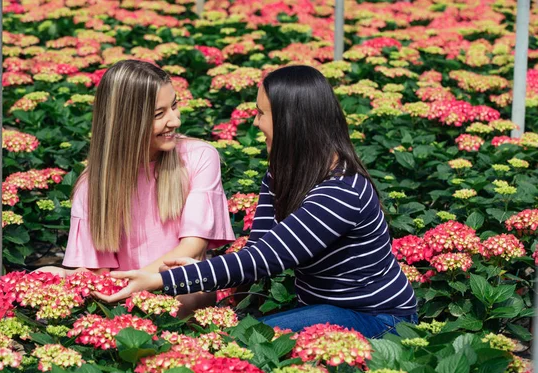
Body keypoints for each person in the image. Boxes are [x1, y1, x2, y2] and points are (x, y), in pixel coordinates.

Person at [94, 65, 418, 337]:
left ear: (292, 121)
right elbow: (256, 254)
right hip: (322, 308)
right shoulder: (284, 172)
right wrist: (197, 271)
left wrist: (161, 279)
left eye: (261, 113)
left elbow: (265, 258)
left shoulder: (342, 191)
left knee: (248, 342)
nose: (255, 122)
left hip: (380, 318)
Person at [37, 60, 236, 315]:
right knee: (43, 274)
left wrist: (141, 282)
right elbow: (96, 272)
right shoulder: (92, 186)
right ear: (126, 122)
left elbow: (192, 247)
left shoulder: (198, 157)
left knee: (178, 297)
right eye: (158, 114)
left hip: (182, 290)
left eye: (174, 106)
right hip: (123, 295)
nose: (175, 121)